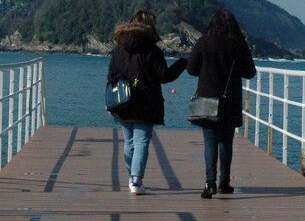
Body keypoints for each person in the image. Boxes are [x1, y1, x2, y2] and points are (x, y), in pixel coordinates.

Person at [107, 10, 187, 195]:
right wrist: (182, 63)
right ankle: (136, 180)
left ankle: (131, 178)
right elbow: (164, 76)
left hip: (122, 101)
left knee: (129, 142)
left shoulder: (119, 48)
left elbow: (111, 75)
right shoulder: (152, 50)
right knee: (141, 141)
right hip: (146, 101)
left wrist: (115, 94)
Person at [186, 10, 257, 198]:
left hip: (207, 100)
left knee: (210, 142)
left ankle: (210, 183)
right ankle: (225, 182)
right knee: (226, 142)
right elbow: (250, 72)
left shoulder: (203, 42)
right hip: (230, 101)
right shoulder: (238, 45)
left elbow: (191, 69)